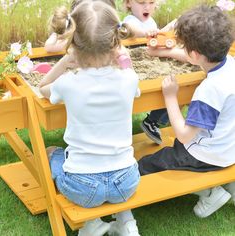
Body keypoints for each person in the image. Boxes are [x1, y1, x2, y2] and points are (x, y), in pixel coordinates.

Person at [39, 2, 141, 236]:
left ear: (72, 42)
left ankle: (92, 226)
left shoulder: (68, 83)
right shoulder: (129, 79)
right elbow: (131, 75)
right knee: (117, 166)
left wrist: (65, 61)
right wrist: (124, 59)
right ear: (116, 40)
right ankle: (126, 223)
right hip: (126, 183)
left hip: (82, 188)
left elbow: (42, 87)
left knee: (52, 152)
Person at [138, 4, 235, 218]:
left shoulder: (209, 91)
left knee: (147, 163)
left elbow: (183, 135)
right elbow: (196, 58)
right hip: (228, 147)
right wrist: (165, 52)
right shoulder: (229, 64)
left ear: (194, 53)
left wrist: (171, 97)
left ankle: (209, 192)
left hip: (206, 155)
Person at [122, 0, 178, 145]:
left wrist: (169, 28)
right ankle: (152, 121)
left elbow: (157, 37)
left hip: (153, 65)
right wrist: (147, 33)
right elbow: (131, 30)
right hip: (134, 68)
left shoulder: (151, 22)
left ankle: (152, 122)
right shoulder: (130, 21)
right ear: (128, 4)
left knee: (172, 87)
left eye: (151, 2)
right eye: (141, 3)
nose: (147, 7)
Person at [44, 0, 116, 53]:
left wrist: (56, 34)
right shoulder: (75, 35)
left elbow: (49, 47)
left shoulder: (75, 36)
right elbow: (49, 47)